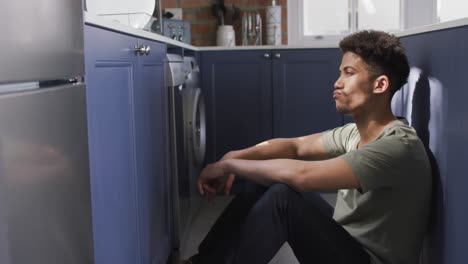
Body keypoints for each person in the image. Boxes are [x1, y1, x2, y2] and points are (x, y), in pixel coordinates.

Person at [186, 30, 432, 264]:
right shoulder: (354, 133)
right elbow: (295, 146)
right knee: (264, 177)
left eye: (349, 73)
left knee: (282, 198)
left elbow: (303, 176)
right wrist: (233, 156)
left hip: (366, 259)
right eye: (340, 73)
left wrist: (230, 165)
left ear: (379, 85)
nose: (337, 83)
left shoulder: (398, 147)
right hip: (345, 243)